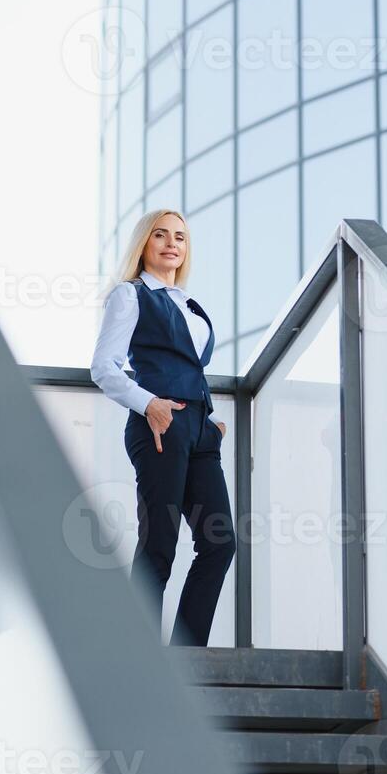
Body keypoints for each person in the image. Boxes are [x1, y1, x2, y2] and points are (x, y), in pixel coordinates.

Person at [90, 208, 236, 646]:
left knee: (220, 543)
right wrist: (149, 403)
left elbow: (188, 366)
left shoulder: (189, 304)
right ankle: (140, 656)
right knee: (160, 544)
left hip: (199, 430)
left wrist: (207, 422)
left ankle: (186, 655)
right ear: (144, 243)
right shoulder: (130, 295)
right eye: (160, 235)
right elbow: (104, 367)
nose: (172, 243)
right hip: (158, 424)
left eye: (181, 237)